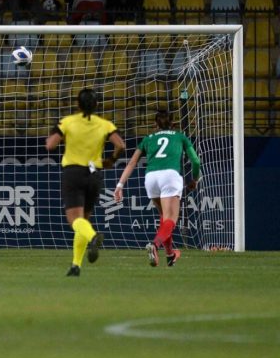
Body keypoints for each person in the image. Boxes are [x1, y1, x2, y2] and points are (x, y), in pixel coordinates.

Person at [45, 88, 126, 277]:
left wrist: (57, 136)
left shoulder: (68, 122)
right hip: (94, 174)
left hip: (74, 172)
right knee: (84, 220)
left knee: (75, 221)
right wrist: (111, 160)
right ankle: (75, 266)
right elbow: (120, 145)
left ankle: (93, 237)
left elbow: (50, 145)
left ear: (78, 104)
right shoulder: (104, 124)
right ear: (96, 104)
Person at [114, 110, 201, 267]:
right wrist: (194, 179)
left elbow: (132, 162)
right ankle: (154, 245)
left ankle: (170, 254)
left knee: (163, 217)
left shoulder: (148, 139)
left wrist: (120, 185)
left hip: (151, 177)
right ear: (173, 124)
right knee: (171, 220)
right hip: (170, 176)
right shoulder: (180, 136)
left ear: (155, 124)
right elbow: (195, 161)